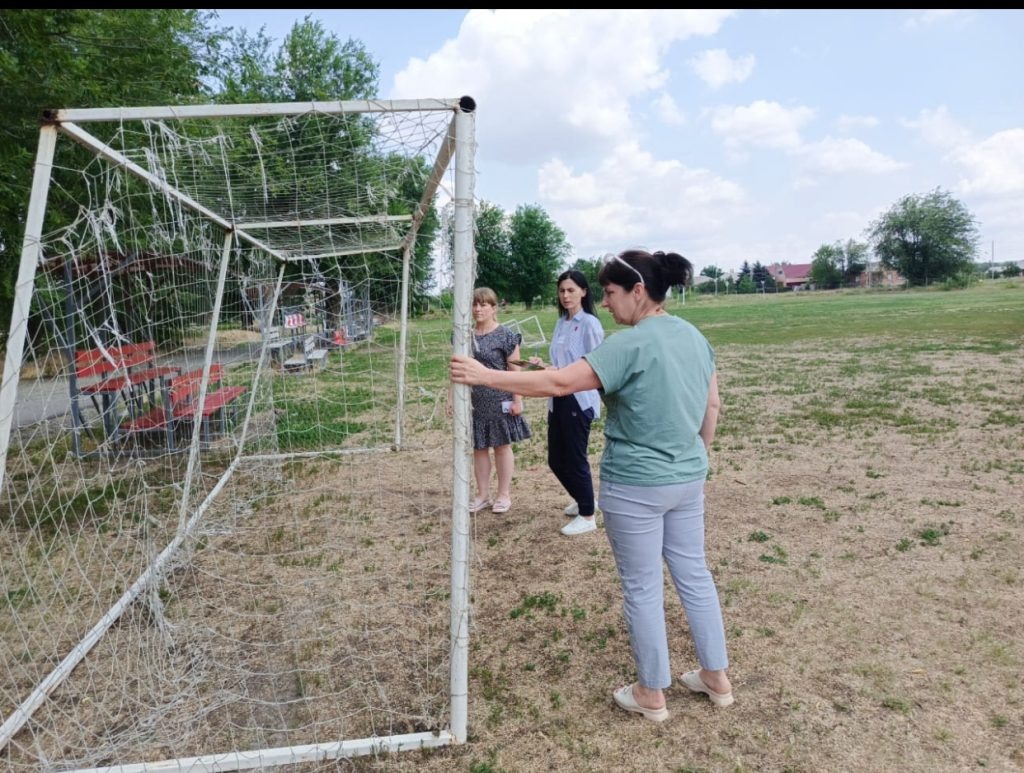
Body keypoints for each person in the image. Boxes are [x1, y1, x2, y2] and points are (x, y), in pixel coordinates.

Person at [450, 250, 731, 721]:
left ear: (639, 291)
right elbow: (713, 407)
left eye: (611, 292)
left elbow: (561, 383)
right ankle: (717, 679)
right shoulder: (695, 336)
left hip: (637, 486)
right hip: (687, 480)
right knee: (695, 577)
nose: (605, 301)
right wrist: (696, 457)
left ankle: (651, 694)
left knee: (642, 588)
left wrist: (483, 374)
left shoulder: (629, 344)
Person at [528, 270, 604, 536]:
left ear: (583, 291)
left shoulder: (590, 324)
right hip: (557, 395)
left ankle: (587, 515)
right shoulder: (561, 323)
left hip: (579, 397)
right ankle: (586, 499)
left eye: (571, 290)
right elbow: (561, 364)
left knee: (574, 457)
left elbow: (597, 363)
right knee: (555, 459)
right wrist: (542, 367)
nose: (566, 295)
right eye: (562, 291)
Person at [447, 287, 531, 514]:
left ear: (494, 308)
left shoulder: (506, 335)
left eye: (483, 304)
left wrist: (518, 400)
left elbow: (515, 370)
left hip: (499, 399)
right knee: (479, 448)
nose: (478, 309)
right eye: (474, 304)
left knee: (501, 447)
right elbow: (455, 368)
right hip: (473, 402)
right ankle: (483, 494)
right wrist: (451, 397)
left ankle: (503, 495)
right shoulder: (463, 335)